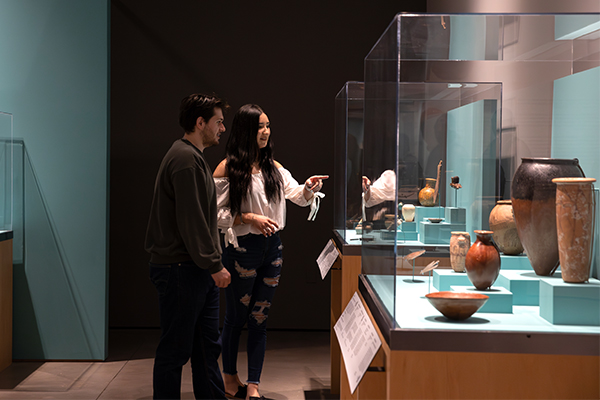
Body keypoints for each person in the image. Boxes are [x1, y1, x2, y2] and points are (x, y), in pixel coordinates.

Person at [213, 104, 328, 400]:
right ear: (246, 130)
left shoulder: (274, 168)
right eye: (259, 127)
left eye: (267, 126)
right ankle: (229, 378)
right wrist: (250, 218)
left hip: (272, 249)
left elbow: (298, 197)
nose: (265, 132)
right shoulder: (226, 169)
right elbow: (216, 215)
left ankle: (253, 386)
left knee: (260, 318)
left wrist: (309, 188)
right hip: (242, 250)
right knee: (236, 317)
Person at [145, 93, 232, 400]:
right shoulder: (184, 160)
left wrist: (208, 266)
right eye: (218, 122)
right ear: (200, 123)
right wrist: (214, 264)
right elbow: (191, 221)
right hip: (181, 269)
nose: (222, 129)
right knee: (176, 350)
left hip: (193, 270)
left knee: (207, 347)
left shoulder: (191, 158)